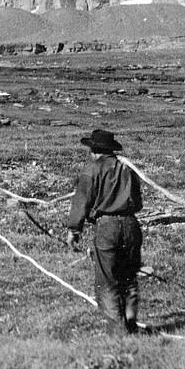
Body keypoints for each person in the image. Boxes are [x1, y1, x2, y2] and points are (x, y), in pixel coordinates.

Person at [65, 129, 144, 335]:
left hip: (107, 227)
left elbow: (81, 201)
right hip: (131, 225)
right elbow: (138, 202)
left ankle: (118, 332)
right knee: (129, 277)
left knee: (107, 281)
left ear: (95, 150)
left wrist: (74, 230)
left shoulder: (92, 169)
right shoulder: (128, 169)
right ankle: (130, 322)